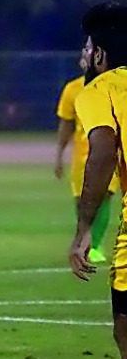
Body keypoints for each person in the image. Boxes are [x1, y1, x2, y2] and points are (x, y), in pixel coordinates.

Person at [68, 1, 127, 359]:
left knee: (125, 326)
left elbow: (103, 151)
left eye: (87, 47)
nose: (84, 54)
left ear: (100, 54)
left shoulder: (98, 89)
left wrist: (84, 228)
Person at [55, 54, 117, 264]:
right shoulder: (73, 89)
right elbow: (66, 124)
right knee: (82, 200)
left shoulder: (115, 87)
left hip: (111, 153)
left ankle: (96, 245)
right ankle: (85, 240)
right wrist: (58, 155)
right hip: (82, 157)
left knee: (105, 195)